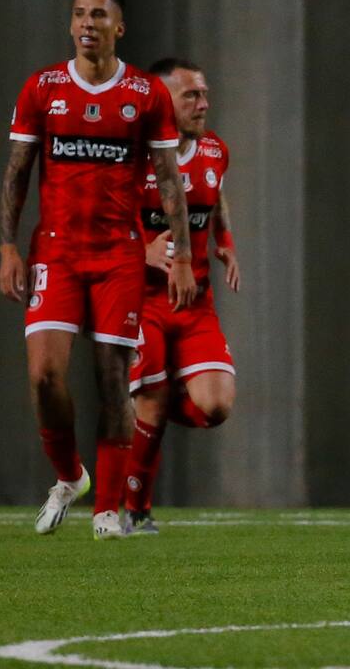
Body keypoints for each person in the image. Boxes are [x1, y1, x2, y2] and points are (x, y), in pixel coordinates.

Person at [0, 0, 196, 540]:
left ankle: (107, 511)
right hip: (56, 250)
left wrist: (180, 255)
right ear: (70, 25)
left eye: (100, 15)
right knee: (44, 376)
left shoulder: (145, 94)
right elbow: (18, 172)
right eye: (80, 14)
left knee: (113, 377)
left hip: (118, 256)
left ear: (119, 27)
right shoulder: (43, 88)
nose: (88, 23)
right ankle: (70, 477)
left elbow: (168, 180)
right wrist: (8, 245)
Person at [123, 57, 240, 535]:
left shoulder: (214, 149)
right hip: (142, 298)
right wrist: (141, 247)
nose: (203, 103)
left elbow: (216, 198)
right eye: (191, 94)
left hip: (195, 302)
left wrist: (226, 246)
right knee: (150, 400)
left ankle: (154, 396)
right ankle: (136, 509)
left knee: (215, 406)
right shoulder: (133, 153)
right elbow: (105, 214)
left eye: (204, 93)